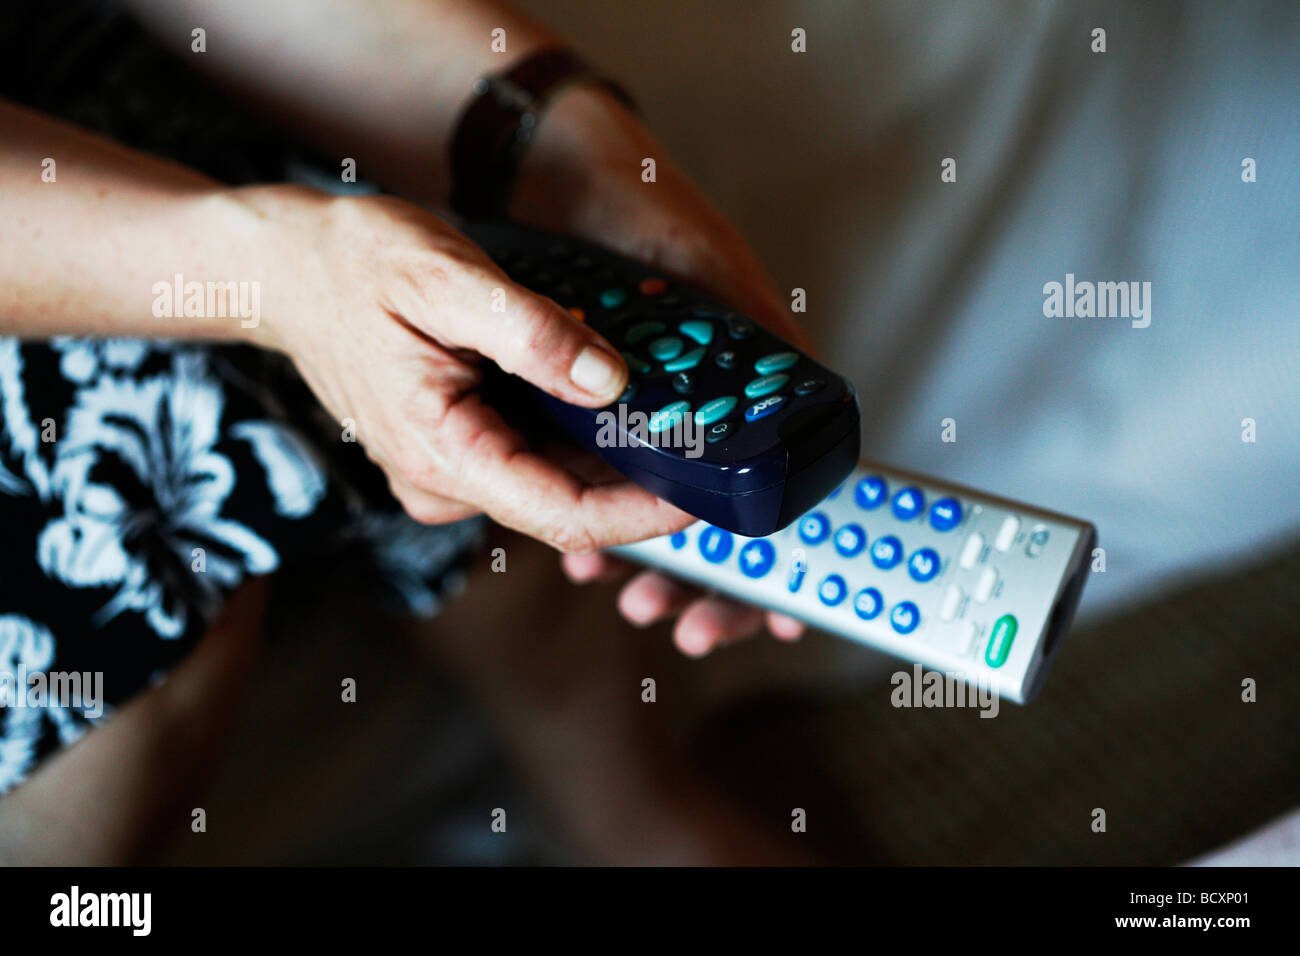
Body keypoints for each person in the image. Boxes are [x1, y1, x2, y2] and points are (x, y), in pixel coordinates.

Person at [0, 0, 809, 861]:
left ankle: (634, 810)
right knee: (135, 489)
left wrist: (563, 153)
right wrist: (269, 271)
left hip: (108, 96)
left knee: (488, 308)